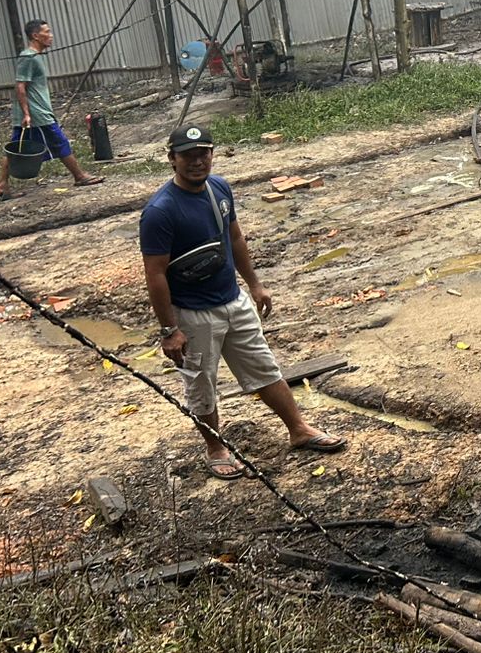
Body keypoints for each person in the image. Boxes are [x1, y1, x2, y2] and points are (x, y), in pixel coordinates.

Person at [139, 124, 346, 480]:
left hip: (233, 300)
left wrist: (254, 283)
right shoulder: (161, 211)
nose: (197, 161)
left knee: (264, 366)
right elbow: (155, 274)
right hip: (194, 314)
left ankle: (298, 429)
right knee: (201, 383)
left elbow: (234, 237)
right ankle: (216, 447)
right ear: (172, 159)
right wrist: (169, 329)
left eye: (203, 153)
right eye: (188, 155)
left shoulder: (218, 188)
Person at [0, 19, 105, 201]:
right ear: (36, 36)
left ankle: (2, 185)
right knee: (60, 142)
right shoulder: (28, 58)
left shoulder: (34, 57)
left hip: (33, 114)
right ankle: (80, 176)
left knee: (15, 149)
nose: (51, 36)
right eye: (47, 32)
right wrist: (28, 114)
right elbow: (20, 87)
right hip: (36, 116)